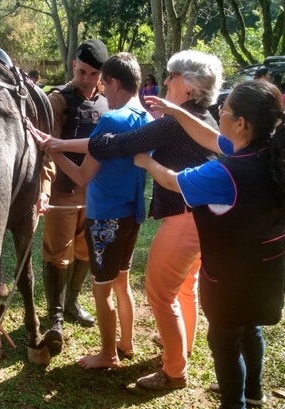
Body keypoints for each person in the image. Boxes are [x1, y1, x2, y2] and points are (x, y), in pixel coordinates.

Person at [136, 80, 285, 409]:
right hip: (270, 265)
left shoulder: (226, 173)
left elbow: (174, 181)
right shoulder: (271, 150)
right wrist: (174, 112)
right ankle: (252, 392)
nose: (220, 112)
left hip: (236, 274)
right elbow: (208, 137)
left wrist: (145, 161)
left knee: (223, 337)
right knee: (250, 327)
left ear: (242, 124)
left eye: (226, 110)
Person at [41, 50, 223, 389]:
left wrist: (57, 145)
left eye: (172, 76)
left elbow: (112, 147)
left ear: (191, 85)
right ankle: (169, 347)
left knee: (151, 294)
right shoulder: (191, 118)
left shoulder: (165, 121)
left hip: (156, 219)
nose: (166, 81)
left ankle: (163, 367)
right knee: (180, 288)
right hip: (170, 217)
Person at [31, 53, 153, 368]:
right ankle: (126, 343)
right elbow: (98, 144)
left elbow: (83, 175)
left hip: (105, 219)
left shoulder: (112, 118)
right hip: (131, 215)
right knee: (122, 284)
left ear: (112, 81)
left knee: (102, 292)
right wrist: (58, 142)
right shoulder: (144, 118)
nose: (102, 91)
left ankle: (108, 354)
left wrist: (51, 149)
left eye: (103, 83)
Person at [38, 39, 109, 356]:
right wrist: (45, 188)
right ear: (73, 66)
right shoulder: (59, 100)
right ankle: (54, 318)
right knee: (57, 253)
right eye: (82, 71)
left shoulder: (107, 102)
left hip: (94, 194)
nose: (87, 79)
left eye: (94, 74)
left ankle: (71, 303)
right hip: (63, 192)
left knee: (85, 251)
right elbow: (47, 149)